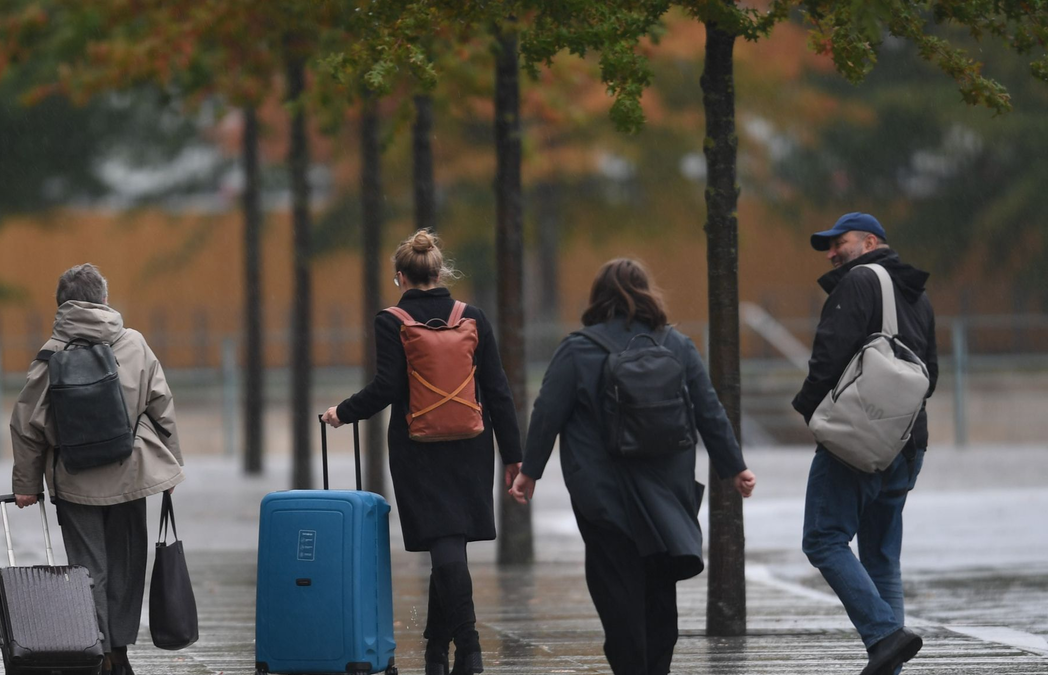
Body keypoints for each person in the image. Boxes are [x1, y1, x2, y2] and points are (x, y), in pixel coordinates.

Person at [509, 258, 756, 675]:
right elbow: (709, 410)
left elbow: (547, 411)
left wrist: (529, 471)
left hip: (604, 497)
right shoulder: (676, 346)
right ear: (647, 293)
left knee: (617, 595)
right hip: (666, 496)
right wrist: (735, 467)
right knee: (660, 594)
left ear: (598, 297)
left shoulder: (578, 349)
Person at [322, 229, 522, 675]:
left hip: (418, 446)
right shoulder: (473, 316)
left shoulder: (390, 320)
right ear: (438, 272)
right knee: (448, 542)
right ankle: (435, 650)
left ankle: (469, 649)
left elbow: (388, 387)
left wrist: (343, 413)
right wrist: (513, 456)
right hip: (471, 444)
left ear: (401, 277)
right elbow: (498, 390)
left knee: (443, 540)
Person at [11, 263, 185, 675]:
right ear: (105, 299)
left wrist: (26, 484)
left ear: (61, 305)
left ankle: (100, 650)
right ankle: (120, 651)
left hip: (75, 479)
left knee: (89, 570)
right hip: (132, 473)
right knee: (126, 566)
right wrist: (172, 467)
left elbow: (26, 424)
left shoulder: (51, 354)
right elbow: (163, 407)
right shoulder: (135, 343)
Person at [793, 213, 938, 675]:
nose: (832, 252)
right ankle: (888, 658)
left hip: (857, 442)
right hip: (907, 442)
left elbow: (828, 357)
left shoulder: (857, 283)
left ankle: (884, 635)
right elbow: (930, 377)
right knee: (880, 557)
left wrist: (811, 411)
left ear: (870, 241)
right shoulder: (918, 296)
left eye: (840, 242)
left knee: (823, 539)